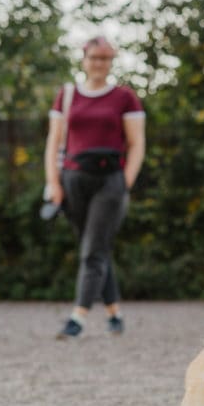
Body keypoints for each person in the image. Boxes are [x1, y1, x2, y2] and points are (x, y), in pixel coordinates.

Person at [43, 36, 146, 339]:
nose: (99, 64)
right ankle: (114, 313)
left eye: (106, 59)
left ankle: (77, 318)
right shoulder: (67, 95)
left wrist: (126, 180)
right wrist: (53, 182)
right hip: (73, 178)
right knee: (95, 248)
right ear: (84, 59)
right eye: (94, 57)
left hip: (110, 179)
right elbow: (54, 142)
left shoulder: (124, 98)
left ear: (111, 62)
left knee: (93, 250)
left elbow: (137, 143)